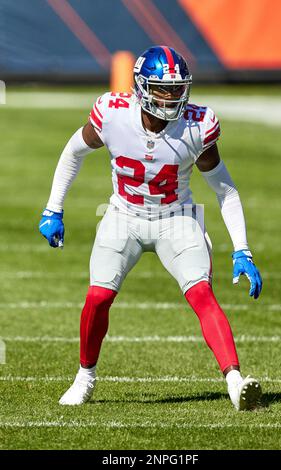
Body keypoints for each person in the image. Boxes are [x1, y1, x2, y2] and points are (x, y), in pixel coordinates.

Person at [39, 46, 263, 410]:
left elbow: (225, 189)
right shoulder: (113, 114)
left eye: (177, 88)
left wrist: (242, 248)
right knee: (98, 297)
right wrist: (53, 208)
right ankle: (85, 377)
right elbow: (73, 151)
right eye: (162, 88)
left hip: (176, 218)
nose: (172, 96)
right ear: (142, 87)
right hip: (123, 216)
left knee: (202, 295)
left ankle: (235, 382)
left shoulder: (197, 125)